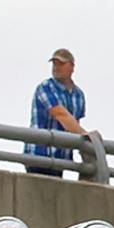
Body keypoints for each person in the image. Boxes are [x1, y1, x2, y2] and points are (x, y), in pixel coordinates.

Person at [25, 48, 93, 178]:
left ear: (72, 66)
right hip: (39, 156)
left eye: (61, 64)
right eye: (54, 64)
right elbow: (61, 115)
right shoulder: (45, 87)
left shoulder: (79, 95)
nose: (56, 68)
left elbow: (74, 122)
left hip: (60, 159)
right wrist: (86, 136)